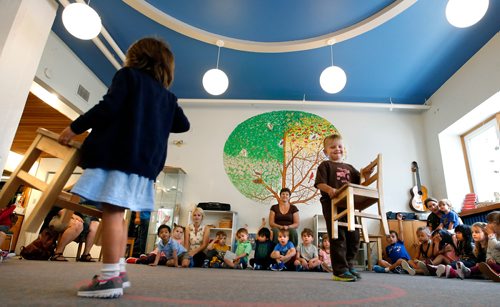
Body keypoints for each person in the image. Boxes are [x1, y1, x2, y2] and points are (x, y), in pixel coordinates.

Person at [58, 37, 190, 298]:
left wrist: (74, 127)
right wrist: (162, 106)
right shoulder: (168, 97)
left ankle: (109, 278)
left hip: (119, 156)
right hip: (144, 166)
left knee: (112, 214)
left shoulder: (127, 76)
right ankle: (117, 271)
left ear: (136, 58)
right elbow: (183, 124)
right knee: (117, 214)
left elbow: (108, 107)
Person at [314, 134, 373, 282]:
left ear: (344, 149)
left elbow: (361, 184)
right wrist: (329, 189)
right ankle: (339, 270)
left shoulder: (350, 168)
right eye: (332, 147)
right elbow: (319, 183)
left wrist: (367, 174)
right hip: (332, 204)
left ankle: (349, 265)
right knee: (338, 236)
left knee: (354, 236)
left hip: (349, 205)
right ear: (326, 151)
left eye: (339, 146)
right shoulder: (325, 165)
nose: (337, 149)